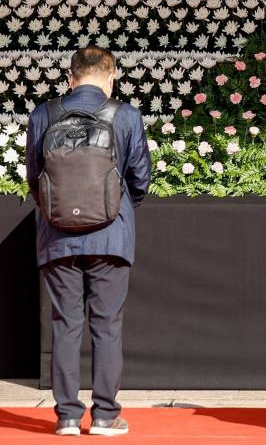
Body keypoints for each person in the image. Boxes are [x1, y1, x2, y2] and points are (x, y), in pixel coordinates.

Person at [26, 46, 152, 437]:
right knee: (106, 324)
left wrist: (60, 210)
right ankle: (104, 416)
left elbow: (34, 175)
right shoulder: (126, 115)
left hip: (57, 236)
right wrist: (114, 208)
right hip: (110, 235)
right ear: (112, 77)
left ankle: (66, 417)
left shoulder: (44, 114)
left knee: (65, 324)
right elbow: (140, 178)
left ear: (71, 77)